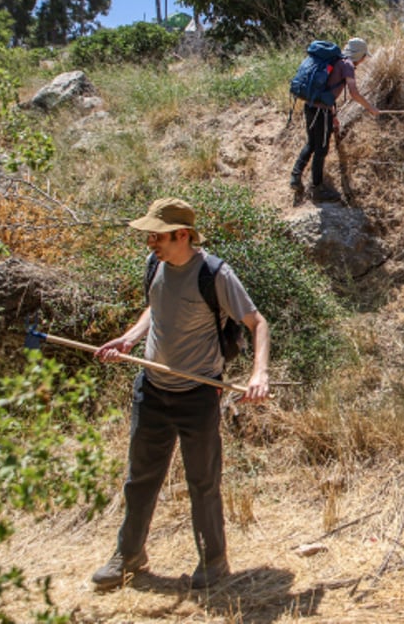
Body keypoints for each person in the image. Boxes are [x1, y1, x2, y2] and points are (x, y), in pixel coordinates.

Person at [91, 198, 271, 591]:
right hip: (152, 389)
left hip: (197, 394)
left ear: (182, 235)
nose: (150, 242)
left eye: (157, 236)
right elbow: (155, 309)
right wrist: (128, 339)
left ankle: (213, 561)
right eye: (150, 235)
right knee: (140, 478)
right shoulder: (156, 265)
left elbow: (257, 323)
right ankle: (129, 554)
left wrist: (259, 373)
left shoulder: (215, 274)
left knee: (202, 481)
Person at [289, 37, 381, 202]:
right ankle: (317, 189)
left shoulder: (335, 60)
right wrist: (370, 108)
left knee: (311, 143)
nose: (363, 60)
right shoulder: (347, 65)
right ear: (359, 56)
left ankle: (295, 177)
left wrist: (333, 116)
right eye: (363, 56)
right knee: (321, 149)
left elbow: (326, 89)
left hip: (310, 107)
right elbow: (354, 92)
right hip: (321, 112)